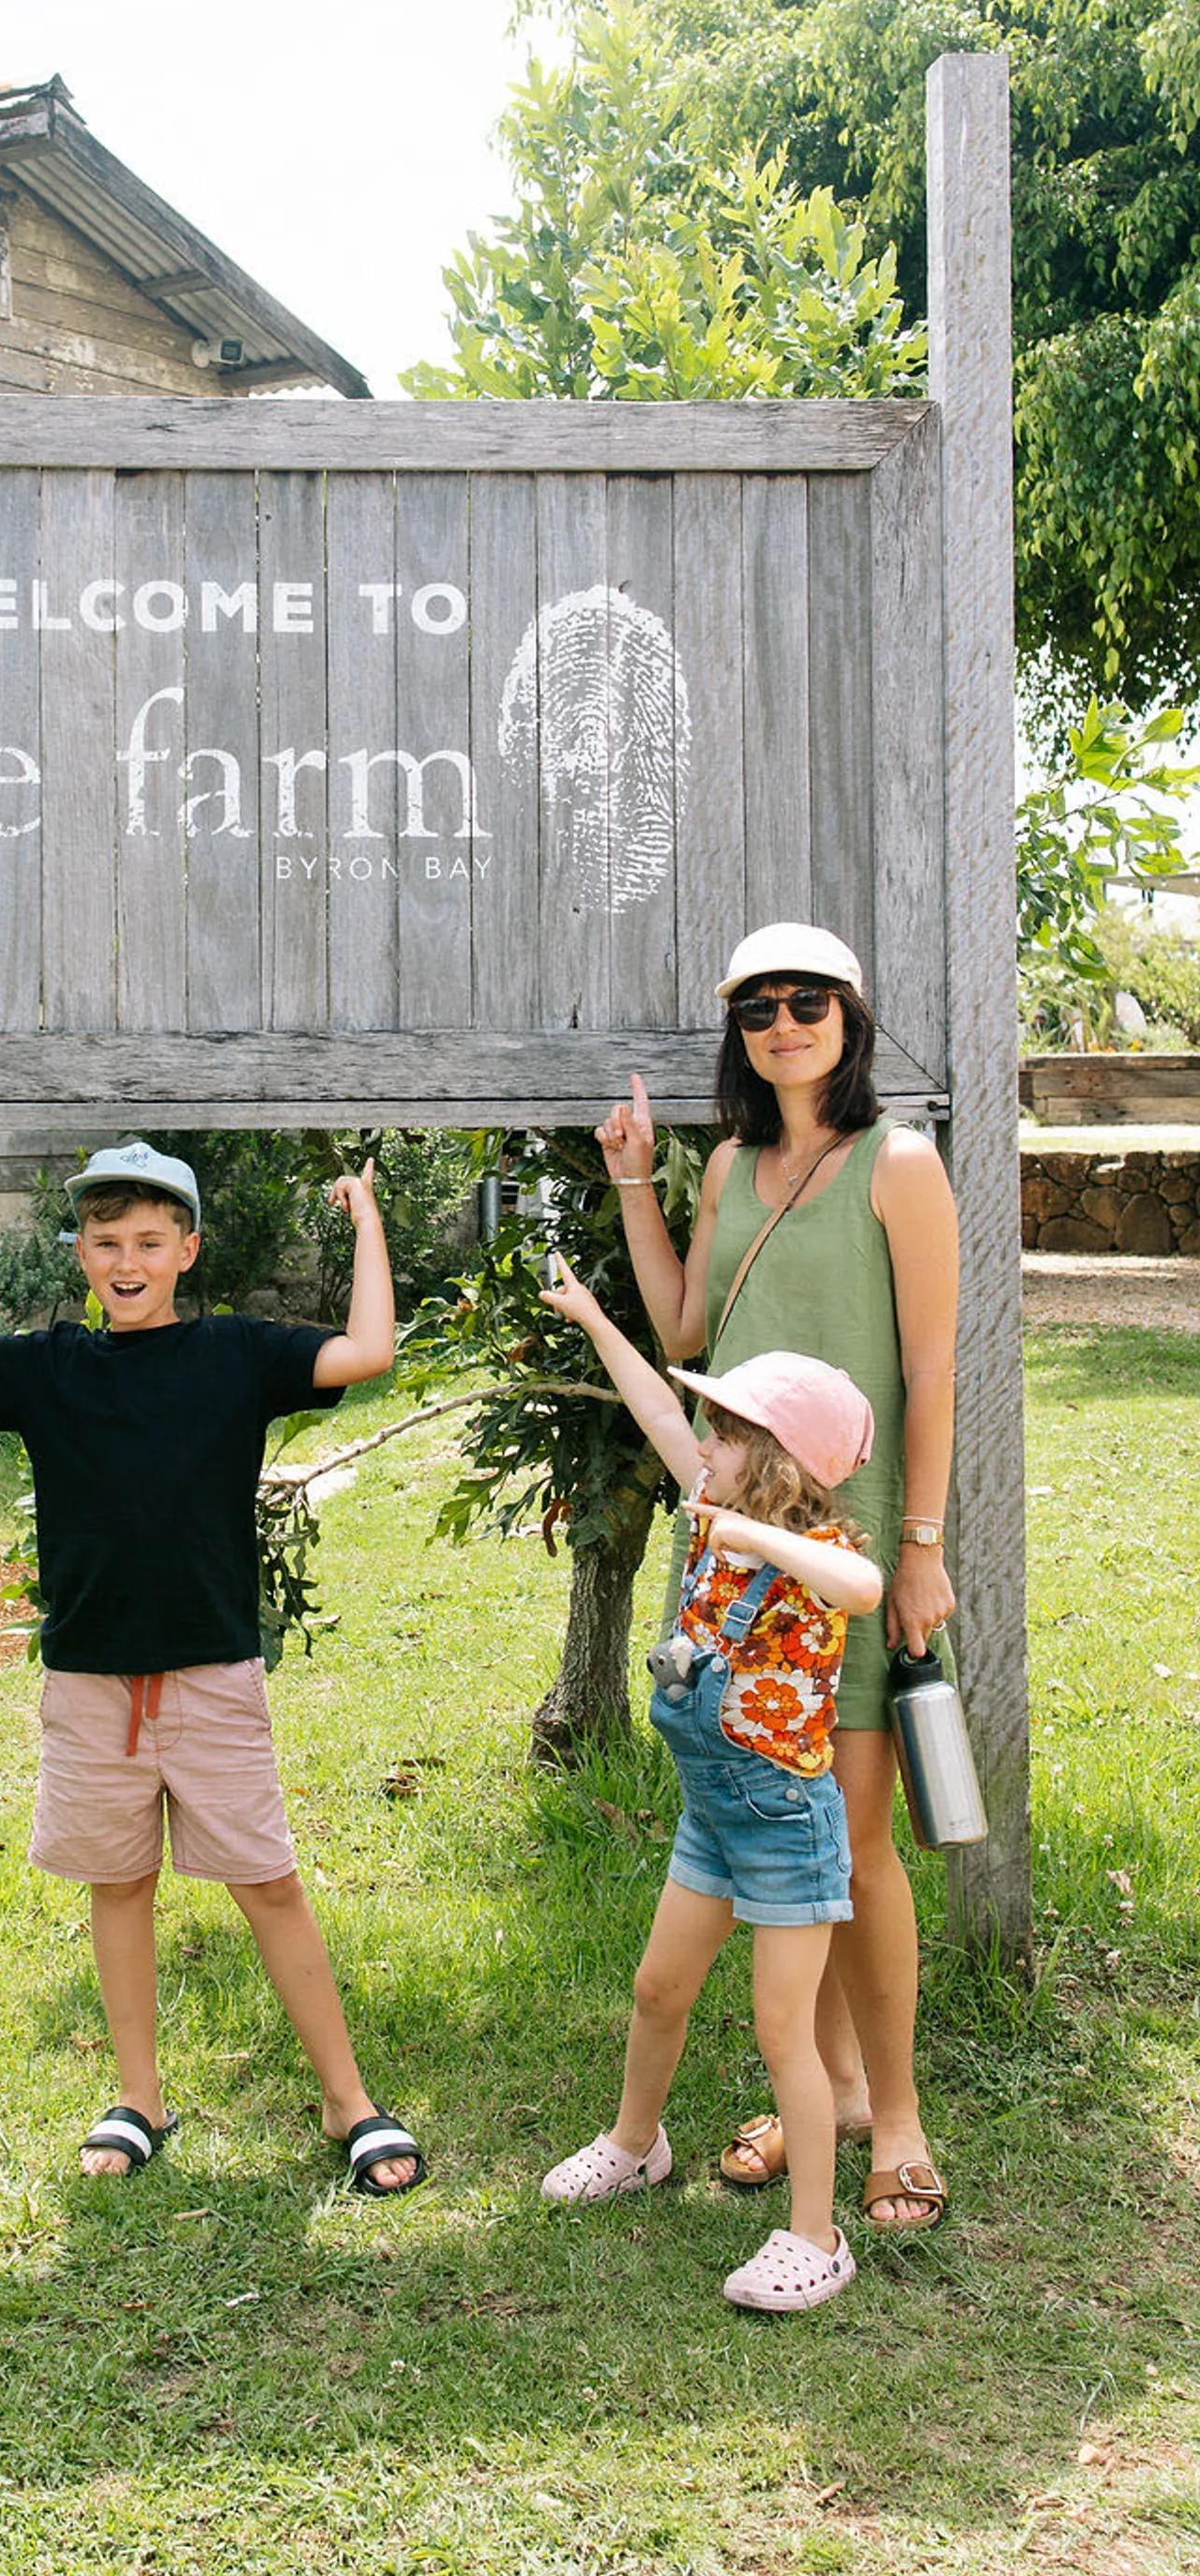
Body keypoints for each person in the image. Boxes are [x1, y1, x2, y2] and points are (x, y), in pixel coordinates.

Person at [0, 1139, 424, 2194]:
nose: (123, 1259)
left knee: (267, 1884)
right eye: (103, 1241)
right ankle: (138, 2095)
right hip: (90, 1680)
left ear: (186, 1248)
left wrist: (367, 1222)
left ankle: (347, 2099)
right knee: (117, 1883)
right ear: (81, 1254)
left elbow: (367, 1352)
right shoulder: (50, 1366)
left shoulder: (234, 1353)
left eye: (146, 1240)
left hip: (210, 1675)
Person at [595, 922, 957, 2232]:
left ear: (852, 1017)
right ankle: (842, 2091)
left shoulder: (898, 1163)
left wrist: (918, 1547)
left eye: (809, 1001)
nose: (784, 1023)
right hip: (739, 1562)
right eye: (758, 1008)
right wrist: (639, 1186)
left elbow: (932, 1371)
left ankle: (899, 2119)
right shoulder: (732, 1167)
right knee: (783, 1831)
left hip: (842, 1557)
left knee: (856, 1840)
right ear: (738, 1032)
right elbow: (689, 1329)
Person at [536, 1254, 882, 2312]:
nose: (703, 1448)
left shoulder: (810, 1549)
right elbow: (652, 1403)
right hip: (714, 1818)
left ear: (773, 1465)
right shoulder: (707, 1500)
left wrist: (757, 1535)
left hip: (785, 1821)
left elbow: (862, 1588)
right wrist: (593, 1317)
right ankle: (635, 2144)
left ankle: (815, 2237)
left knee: (784, 2032)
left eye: (725, 1437)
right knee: (657, 1990)